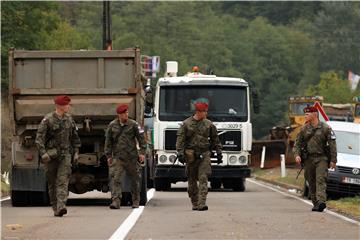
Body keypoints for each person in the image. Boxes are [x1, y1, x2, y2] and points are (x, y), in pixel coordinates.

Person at [35, 95, 81, 217]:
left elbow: (75, 137)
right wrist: (43, 153)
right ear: (59, 106)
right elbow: (39, 138)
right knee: (52, 183)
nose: (68, 107)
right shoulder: (48, 120)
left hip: (65, 155)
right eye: (66, 105)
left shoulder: (69, 119)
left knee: (63, 180)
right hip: (51, 156)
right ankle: (55, 206)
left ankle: (61, 206)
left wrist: (76, 152)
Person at [176, 99, 222, 211]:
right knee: (191, 180)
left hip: (204, 154)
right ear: (198, 112)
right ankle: (195, 202)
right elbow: (180, 140)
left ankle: (202, 203)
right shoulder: (186, 124)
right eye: (204, 111)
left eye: (206, 111)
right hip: (191, 155)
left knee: (203, 178)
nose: (206, 113)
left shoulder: (209, 124)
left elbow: (215, 139)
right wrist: (180, 153)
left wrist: (219, 152)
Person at [293, 105, 337, 212]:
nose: (305, 116)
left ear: (315, 114)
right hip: (308, 159)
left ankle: (321, 201)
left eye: (307, 114)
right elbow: (297, 144)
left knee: (320, 179)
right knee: (311, 181)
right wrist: (297, 155)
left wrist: (333, 160)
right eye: (305, 114)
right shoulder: (304, 129)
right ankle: (315, 203)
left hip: (322, 158)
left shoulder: (326, 128)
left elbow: (332, 144)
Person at [104, 104, 146, 209]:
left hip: (131, 157)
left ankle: (135, 200)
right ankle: (116, 201)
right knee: (116, 179)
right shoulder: (112, 125)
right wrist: (108, 156)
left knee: (135, 179)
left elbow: (142, 140)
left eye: (127, 112)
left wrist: (142, 153)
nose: (126, 115)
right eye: (124, 113)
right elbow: (108, 142)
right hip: (118, 157)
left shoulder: (134, 125)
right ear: (119, 115)